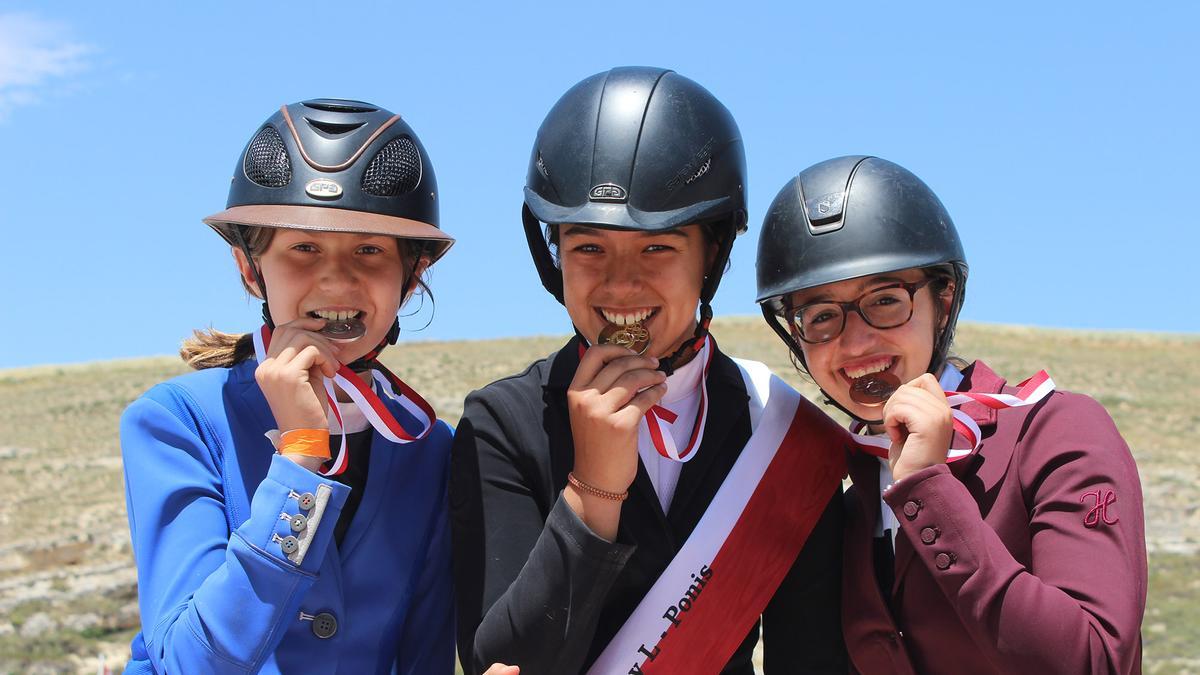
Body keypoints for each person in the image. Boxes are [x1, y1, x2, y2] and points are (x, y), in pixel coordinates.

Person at [451, 67, 849, 675]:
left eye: (657, 247)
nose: (620, 284)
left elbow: (812, 659)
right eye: (588, 247)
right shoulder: (502, 423)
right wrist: (593, 495)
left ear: (711, 253)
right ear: (553, 254)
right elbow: (500, 663)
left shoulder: (779, 433)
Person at [755, 155, 1147, 674]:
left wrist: (928, 491)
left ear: (944, 299)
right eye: (821, 316)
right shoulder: (846, 506)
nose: (855, 342)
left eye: (886, 300)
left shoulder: (1058, 433)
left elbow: (1095, 662)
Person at [120, 99, 459, 674]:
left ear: (412, 274)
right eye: (304, 248)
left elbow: (424, 657)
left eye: (370, 250)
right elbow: (188, 662)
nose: (337, 278)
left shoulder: (429, 447)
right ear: (249, 267)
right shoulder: (178, 423)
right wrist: (300, 454)